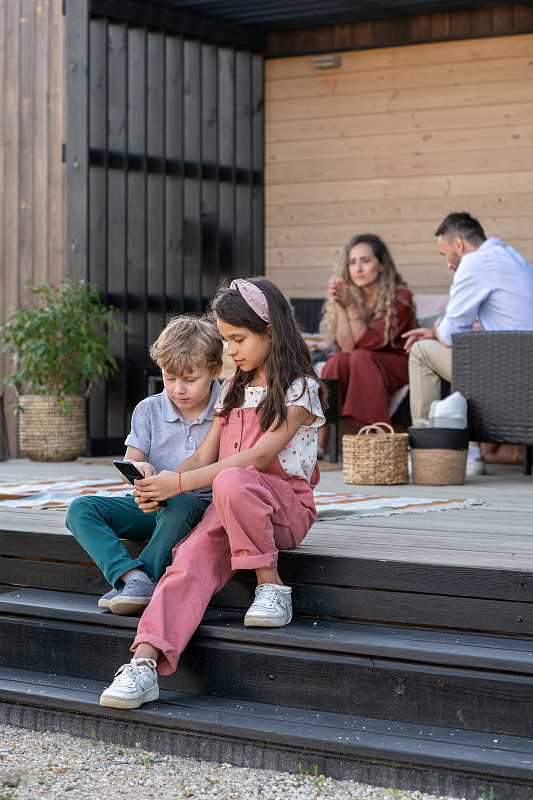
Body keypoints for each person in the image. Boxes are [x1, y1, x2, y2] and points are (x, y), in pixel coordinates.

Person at [99, 277, 326, 710]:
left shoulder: (299, 388)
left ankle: (271, 585)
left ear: (271, 330)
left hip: (283, 510)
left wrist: (181, 484)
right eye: (225, 341)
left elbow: (258, 458)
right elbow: (203, 458)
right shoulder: (232, 391)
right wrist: (157, 488)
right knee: (186, 564)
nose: (231, 351)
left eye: (238, 339)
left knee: (232, 480)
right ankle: (143, 666)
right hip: (230, 503)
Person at [65, 316, 223, 615]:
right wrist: (141, 472)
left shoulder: (226, 407)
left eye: (190, 380)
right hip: (149, 505)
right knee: (80, 509)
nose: (178, 389)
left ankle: (146, 577)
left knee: (180, 503)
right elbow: (132, 459)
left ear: (215, 371)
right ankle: (131, 576)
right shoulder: (149, 409)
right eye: (169, 377)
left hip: (197, 511)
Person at [402, 212, 533, 427]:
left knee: (421, 352)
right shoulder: (512, 257)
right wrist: (438, 331)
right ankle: (470, 453)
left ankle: (427, 446)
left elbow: (448, 335)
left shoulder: (475, 263)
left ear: (458, 244)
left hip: (512, 372)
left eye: (445, 254)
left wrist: (436, 328)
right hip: (523, 363)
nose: (448, 265)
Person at [318, 233, 416, 455]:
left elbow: (370, 343)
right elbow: (347, 349)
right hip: (366, 361)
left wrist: (352, 306)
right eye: (352, 263)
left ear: (381, 265)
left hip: (399, 364)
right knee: (339, 361)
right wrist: (343, 306)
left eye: (365, 260)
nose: (358, 268)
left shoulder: (401, 297)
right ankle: (322, 437)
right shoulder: (354, 295)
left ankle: (380, 435)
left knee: (361, 357)